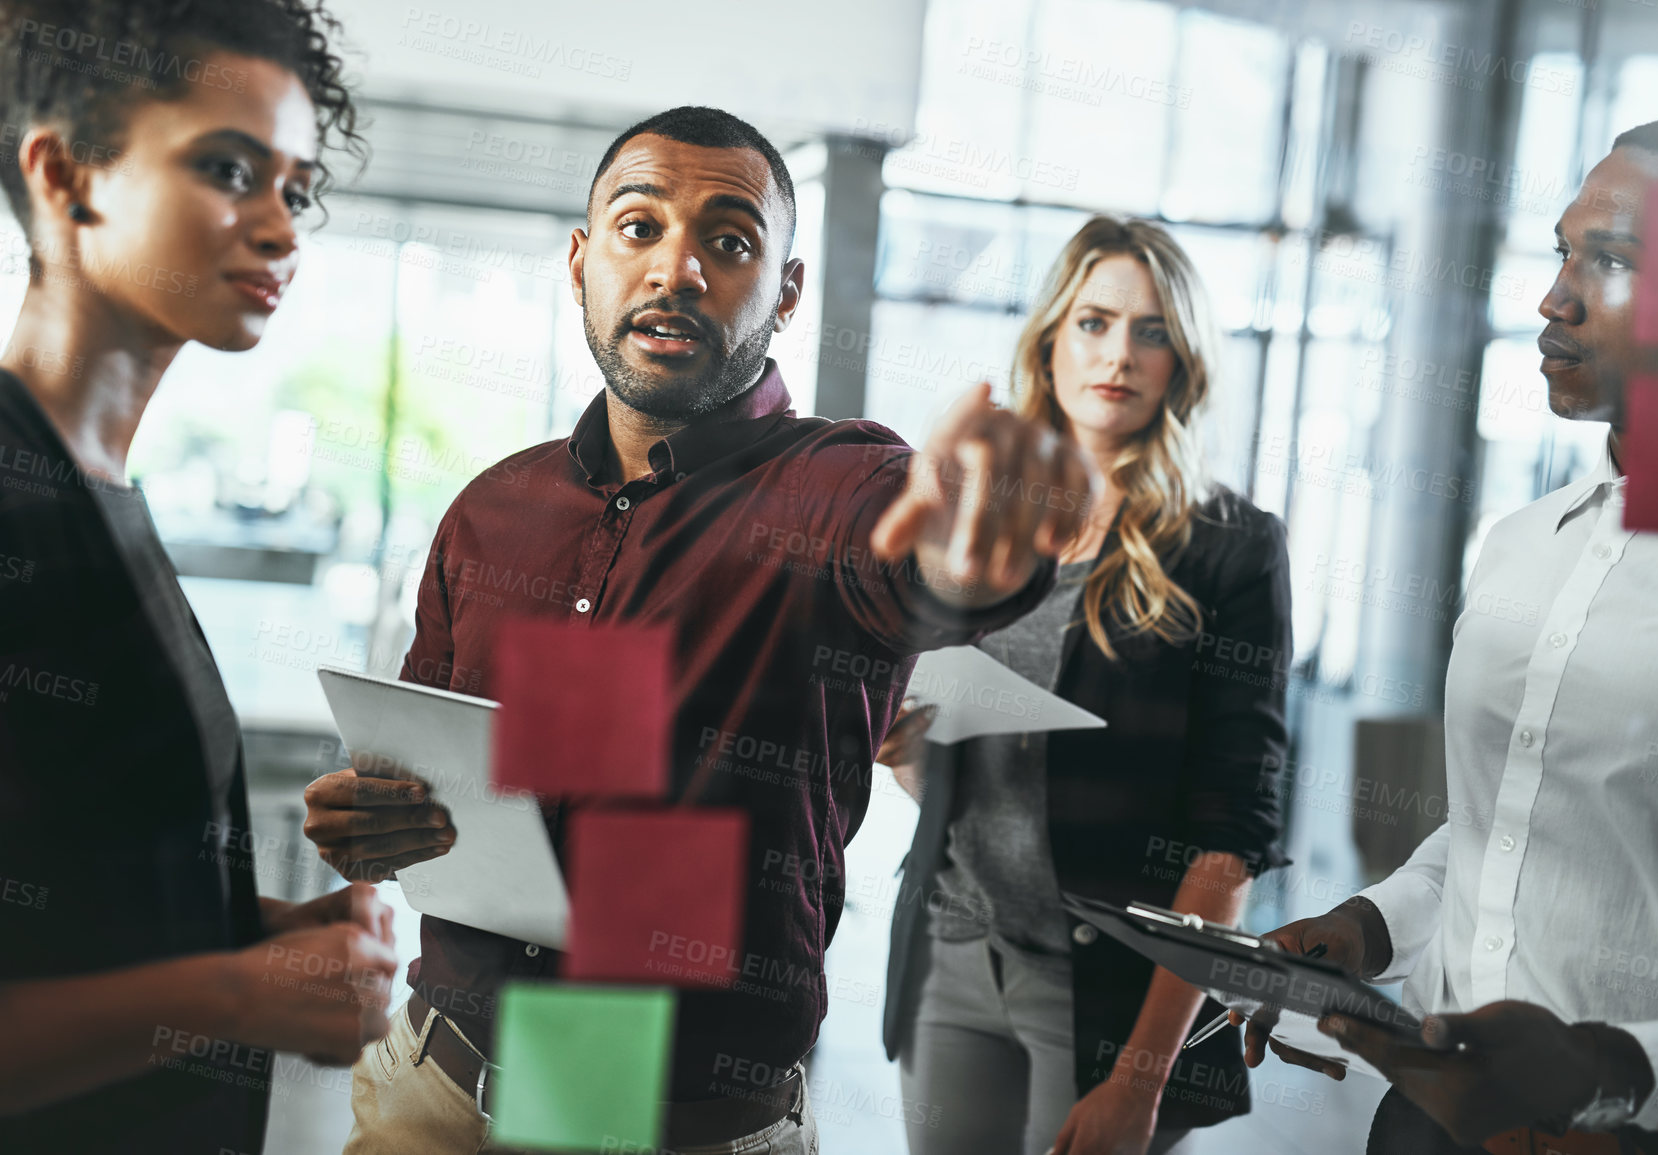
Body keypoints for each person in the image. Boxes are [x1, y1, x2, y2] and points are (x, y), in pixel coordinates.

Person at [300, 104, 1096, 1155]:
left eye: (730, 241)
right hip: (437, 1092)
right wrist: (375, 818)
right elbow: (435, 779)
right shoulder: (495, 509)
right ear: (581, 260)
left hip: (679, 1124)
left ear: (788, 291)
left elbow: (912, 554)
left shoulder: (837, 482)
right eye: (639, 229)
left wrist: (971, 552)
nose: (677, 270)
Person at [1243, 116, 1658, 1155]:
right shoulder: (1522, 547)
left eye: (1610, 260)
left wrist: (1613, 1076)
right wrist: (1365, 930)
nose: (1553, 297)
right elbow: (1501, 825)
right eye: (1562, 251)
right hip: (1428, 1121)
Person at [0, 3, 398, 1153]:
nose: (282, 228)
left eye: (298, 188)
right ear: (68, 175)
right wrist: (245, 996)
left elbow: (73, 898)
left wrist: (261, 936)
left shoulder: (102, 487)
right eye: (230, 169)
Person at [875, 215, 1293, 1155]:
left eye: (1152, 332)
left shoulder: (1229, 545)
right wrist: (906, 755)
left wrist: (1141, 1085)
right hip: (954, 940)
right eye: (1095, 322)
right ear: (1050, 338)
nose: (1120, 354)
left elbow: (1229, 839)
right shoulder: (983, 512)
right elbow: (971, 773)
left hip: (1109, 985)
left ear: (1182, 361)